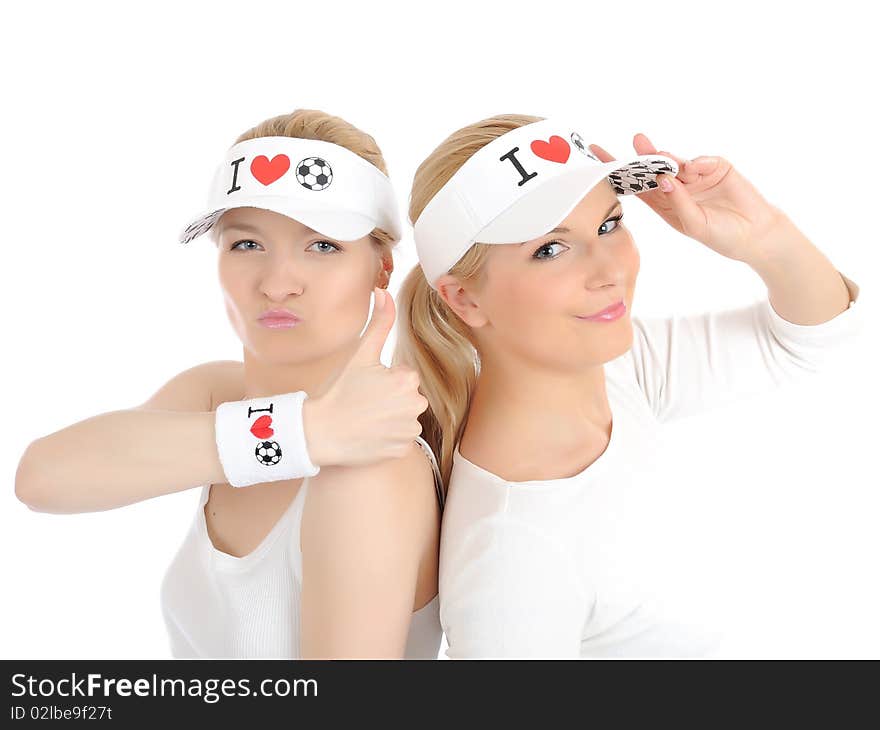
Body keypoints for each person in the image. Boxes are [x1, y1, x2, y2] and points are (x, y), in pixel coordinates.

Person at [391, 114, 862, 657]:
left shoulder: (614, 372)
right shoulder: (513, 549)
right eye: (550, 249)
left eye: (609, 225)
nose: (608, 269)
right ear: (465, 299)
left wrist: (763, 236)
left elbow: (813, 335)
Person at [15, 108, 444, 659]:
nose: (278, 283)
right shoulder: (217, 393)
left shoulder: (372, 468)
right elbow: (42, 479)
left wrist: (317, 436)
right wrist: (305, 432)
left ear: (381, 267)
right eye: (246, 244)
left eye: (322, 246)